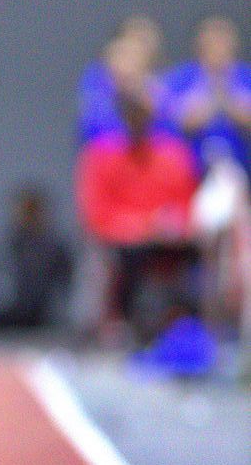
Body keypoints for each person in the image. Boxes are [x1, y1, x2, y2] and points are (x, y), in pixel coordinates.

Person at [75, 75, 200, 341]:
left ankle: (192, 324)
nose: (138, 119)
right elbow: (96, 213)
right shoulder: (100, 155)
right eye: (132, 113)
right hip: (123, 243)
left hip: (169, 244)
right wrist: (141, 226)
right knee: (118, 257)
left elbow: (188, 205)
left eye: (143, 113)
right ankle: (117, 323)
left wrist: (173, 225)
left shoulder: (173, 154)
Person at [160, 16, 251, 175]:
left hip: (242, 167)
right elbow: (179, 123)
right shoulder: (181, 78)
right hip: (191, 169)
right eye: (212, 42)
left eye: (223, 42)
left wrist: (228, 99)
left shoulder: (246, 76)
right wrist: (210, 100)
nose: (218, 48)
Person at [0, 185, 73, 330]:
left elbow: (65, 288)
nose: (28, 217)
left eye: (33, 211)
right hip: (3, 321)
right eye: (25, 211)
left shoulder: (55, 251)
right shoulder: (4, 246)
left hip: (44, 322)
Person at [77, 14, 165, 144]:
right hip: (107, 155)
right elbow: (92, 128)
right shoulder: (96, 81)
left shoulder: (160, 85)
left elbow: (169, 133)